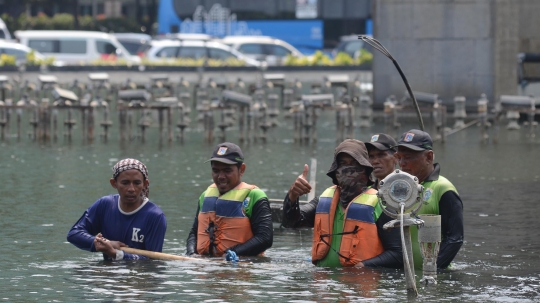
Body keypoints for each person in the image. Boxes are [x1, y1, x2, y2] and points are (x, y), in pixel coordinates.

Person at [282, 139, 402, 268]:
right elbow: (291, 222)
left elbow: (397, 255)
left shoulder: (380, 204)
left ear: (365, 169)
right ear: (335, 170)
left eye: (354, 164)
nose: (348, 170)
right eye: (343, 164)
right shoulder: (324, 200)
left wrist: (363, 266)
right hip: (323, 283)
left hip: (362, 283)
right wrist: (292, 195)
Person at [67, 158, 167, 261]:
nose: (131, 189)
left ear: (145, 184)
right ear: (114, 183)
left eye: (137, 183)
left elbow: (153, 262)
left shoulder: (155, 216)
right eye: (125, 183)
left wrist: (116, 254)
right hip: (107, 273)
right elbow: (74, 233)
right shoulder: (105, 205)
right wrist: (101, 243)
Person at [186, 142, 273, 259]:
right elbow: (194, 232)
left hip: (240, 268)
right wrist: (191, 253)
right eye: (216, 171)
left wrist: (232, 253)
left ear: (241, 169)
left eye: (227, 171)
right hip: (206, 269)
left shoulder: (254, 196)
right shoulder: (204, 196)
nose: (221, 176)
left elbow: (265, 238)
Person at [395, 129, 464, 269]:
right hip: (404, 273)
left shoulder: (443, 189)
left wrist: (432, 270)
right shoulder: (400, 188)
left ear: (429, 157)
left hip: (431, 277)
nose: (402, 163)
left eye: (408, 157)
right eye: (399, 157)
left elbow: (455, 238)